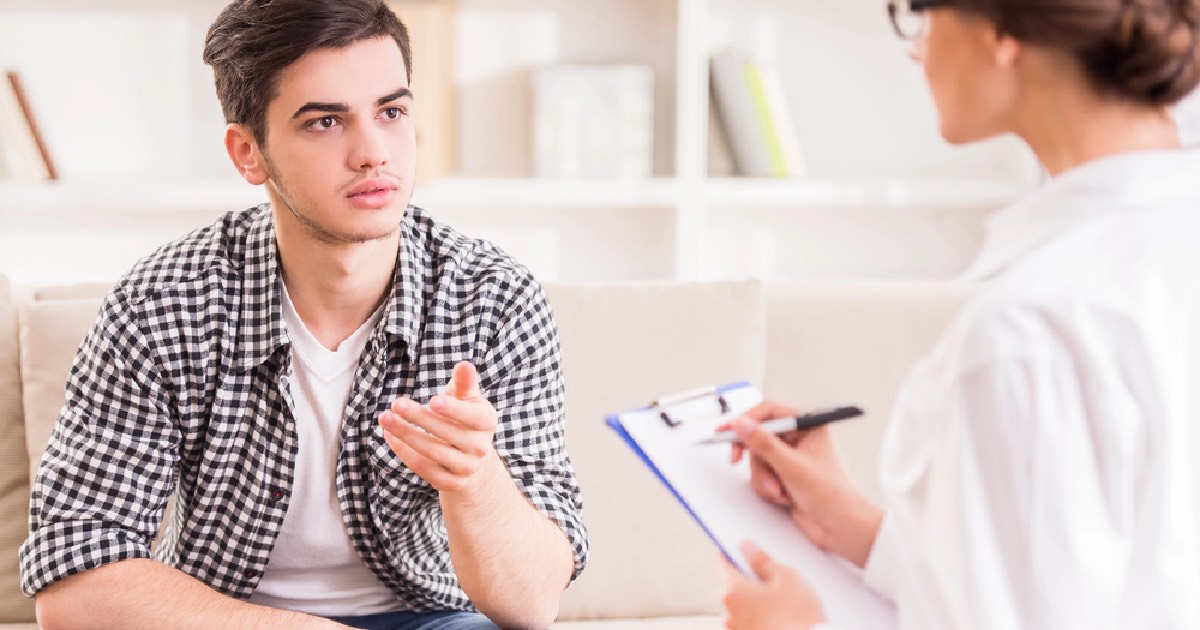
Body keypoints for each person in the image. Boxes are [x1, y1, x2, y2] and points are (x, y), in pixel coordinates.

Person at [18, 1, 587, 628]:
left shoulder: (493, 299)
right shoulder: (165, 303)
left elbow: (532, 606)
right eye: (324, 122)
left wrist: (474, 480)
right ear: (247, 153)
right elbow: (74, 582)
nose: (374, 153)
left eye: (391, 112)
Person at [722, 0, 1200, 628]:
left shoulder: (1029, 332)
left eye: (919, 13)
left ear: (1001, 32)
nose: (916, 50)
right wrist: (860, 531)